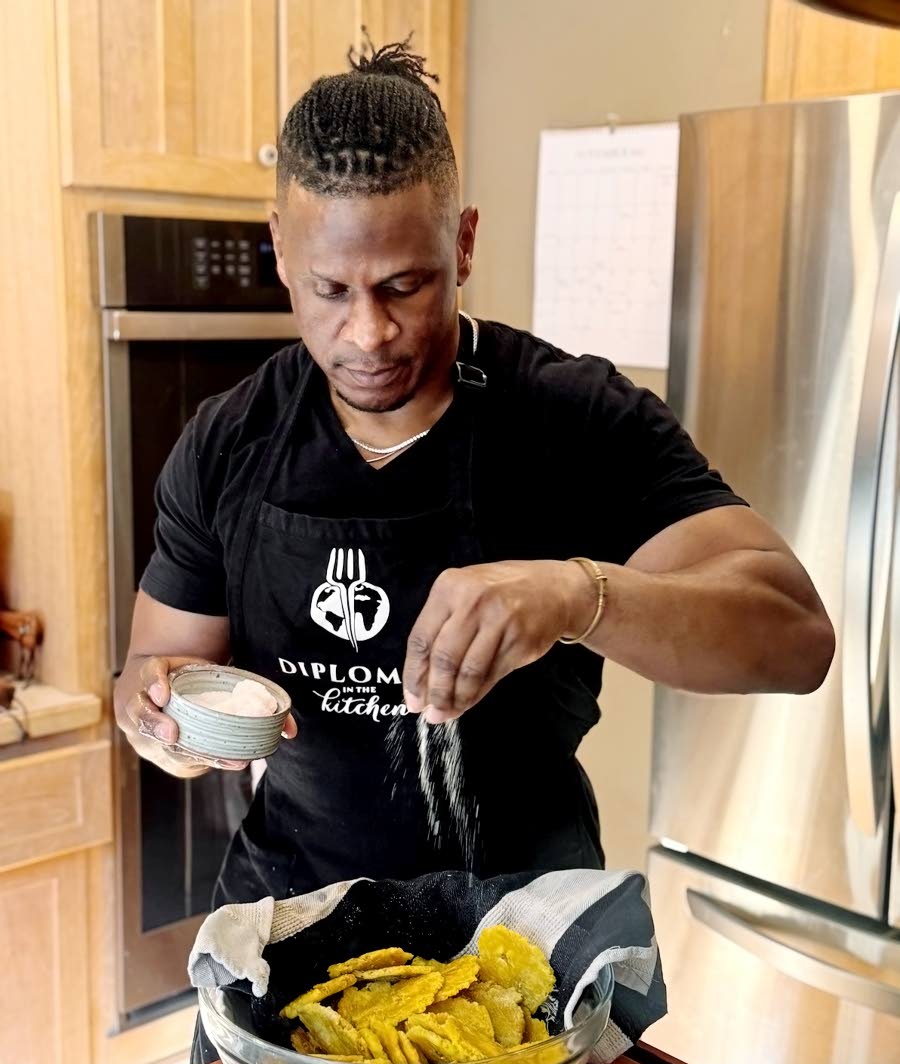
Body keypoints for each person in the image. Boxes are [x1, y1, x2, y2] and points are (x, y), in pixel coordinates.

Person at [114, 40, 834, 914]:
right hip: (288, 922)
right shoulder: (229, 440)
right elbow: (156, 666)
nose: (368, 333)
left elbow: (796, 637)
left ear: (463, 243)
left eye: (404, 286)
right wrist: (154, 720)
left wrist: (578, 595)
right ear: (278, 251)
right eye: (330, 289)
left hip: (525, 938)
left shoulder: (574, 417)